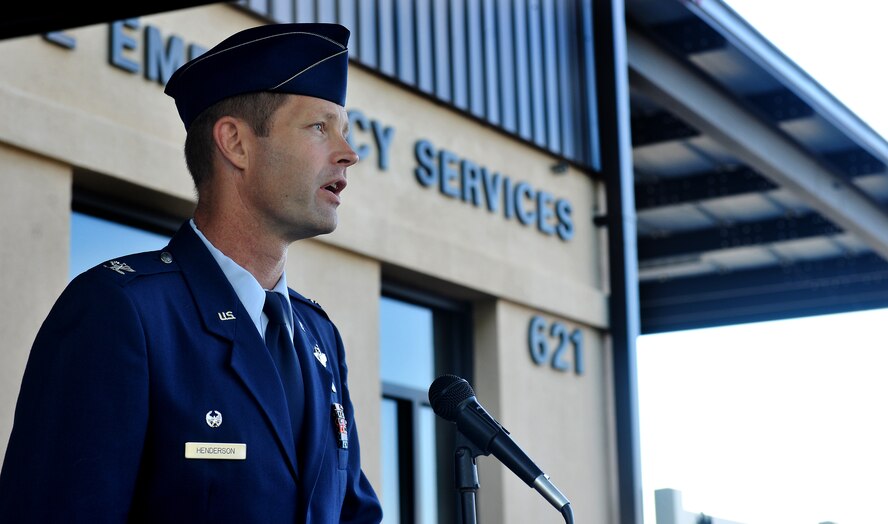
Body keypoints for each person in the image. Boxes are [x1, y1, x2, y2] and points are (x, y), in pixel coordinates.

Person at [0, 22, 383, 523]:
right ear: (236, 144)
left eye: (345, 132)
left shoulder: (319, 338)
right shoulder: (122, 311)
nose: (348, 154)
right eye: (319, 127)